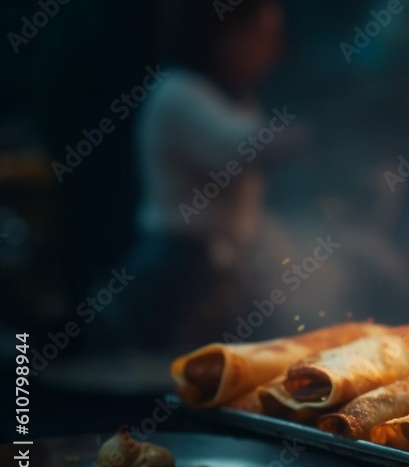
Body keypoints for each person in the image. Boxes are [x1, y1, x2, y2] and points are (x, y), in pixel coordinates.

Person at [99, 0, 300, 353]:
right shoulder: (177, 90)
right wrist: (319, 130)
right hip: (176, 274)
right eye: (263, 35)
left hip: (221, 273)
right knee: (170, 384)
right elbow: (238, 148)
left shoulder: (239, 99)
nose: (277, 49)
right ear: (227, 35)